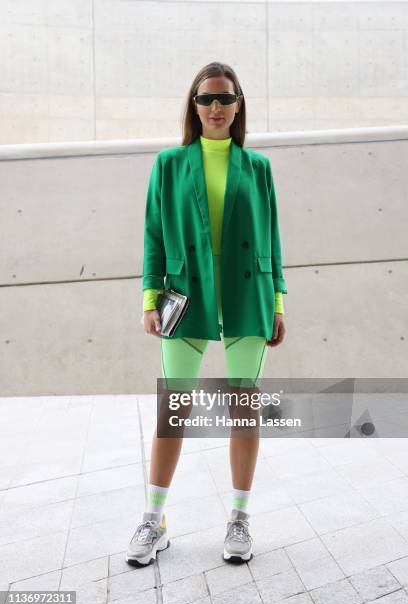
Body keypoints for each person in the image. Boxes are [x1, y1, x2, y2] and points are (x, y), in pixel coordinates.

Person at [126, 61, 287, 567]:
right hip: (183, 295)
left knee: (244, 406)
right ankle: (154, 520)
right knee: (174, 409)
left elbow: (272, 240)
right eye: (205, 98)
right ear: (193, 107)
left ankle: (239, 518)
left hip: (249, 294)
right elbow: (154, 234)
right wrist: (149, 299)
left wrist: (278, 302)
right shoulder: (170, 163)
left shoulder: (257, 167)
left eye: (224, 98)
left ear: (238, 105)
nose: (215, 107)